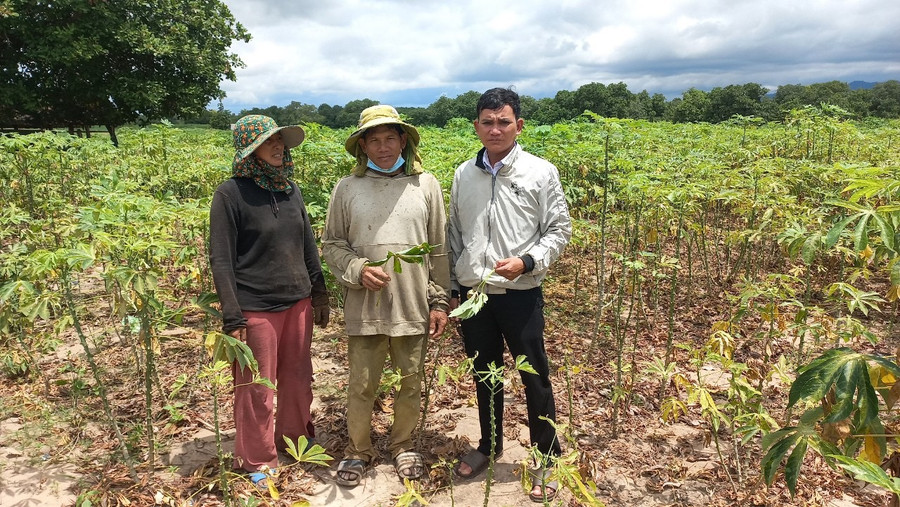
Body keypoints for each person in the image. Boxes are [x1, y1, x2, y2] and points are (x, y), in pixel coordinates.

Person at [447, 88, 572, 503]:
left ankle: (546, 457)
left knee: (534, 376)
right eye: (487, 121)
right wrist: (453, 287)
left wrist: (528, 261)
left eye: (504, 121)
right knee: (486, 375)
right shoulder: (464, 173)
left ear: (519, 125)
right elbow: (454, 234)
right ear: (476, 126)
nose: (495, 129)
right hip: (474, 293)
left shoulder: (541, 172)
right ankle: (490, 444)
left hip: (520, 293)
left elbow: (559, 230)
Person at [322, 105, 450, 487]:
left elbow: (439, 249)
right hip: (365, 305)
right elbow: (332, 244)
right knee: (362, 383)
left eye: (390, 138)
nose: (383, 147)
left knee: (410, 381)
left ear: (403, 141)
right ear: (363, 145)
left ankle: (403, 444)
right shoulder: (347, 188)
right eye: (374, 140)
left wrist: (440, 300)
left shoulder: (425, 184)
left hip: (412, 302)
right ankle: (358, 450)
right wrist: (359, 269)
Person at [209, 115, 330, 485]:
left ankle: (295, 441)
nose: (279, 147)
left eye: (280, 141)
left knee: (297, 377)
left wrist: (319, 290)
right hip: (254, 308)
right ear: (249, 151)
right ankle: (257, 460)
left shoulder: (289, 189)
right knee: (256, 388)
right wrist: (233, 316)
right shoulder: (230, 194)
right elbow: (221, 259)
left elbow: (307, 243)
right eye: (268, 142)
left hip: (298, 302)